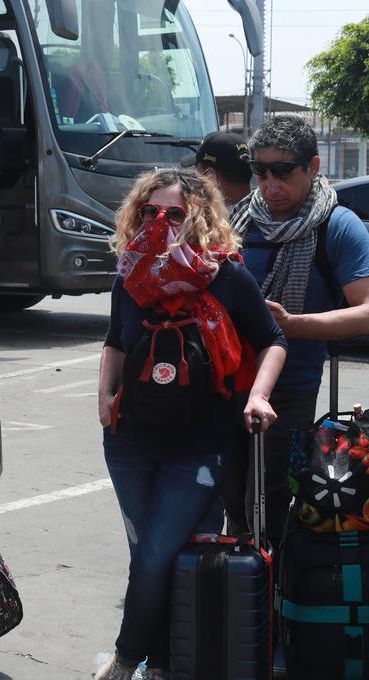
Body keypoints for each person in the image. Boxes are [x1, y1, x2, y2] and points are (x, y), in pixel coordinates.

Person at [94, 168, 286, 680]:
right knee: (150, 554)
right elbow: (115, 339)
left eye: (174, 213)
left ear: (197, 215)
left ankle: (127, 660)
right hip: (129, 440)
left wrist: (259, 396)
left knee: (157, 555)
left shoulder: (226, 275)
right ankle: (164, 662)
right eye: (150, 212)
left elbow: (273, 340)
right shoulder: (130, 274)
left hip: (199, 446)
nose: (161, 222)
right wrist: (104, 396)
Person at [225, 114, 369, 548]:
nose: (270, 185)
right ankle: (236, 594)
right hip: (223, 383)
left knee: (270, 505)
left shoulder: (337, 226)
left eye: (283, 172)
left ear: (314, 166)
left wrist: (291, 325)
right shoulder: (237, 222)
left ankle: (271, 600)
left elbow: (366, 311)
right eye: (261, 172)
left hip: (288, 389)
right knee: (229, 501)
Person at [182, 131, 253, 213]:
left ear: (210, 176)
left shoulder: (207, 221)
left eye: (198, 169)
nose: (196, 177)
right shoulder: (266, 211)